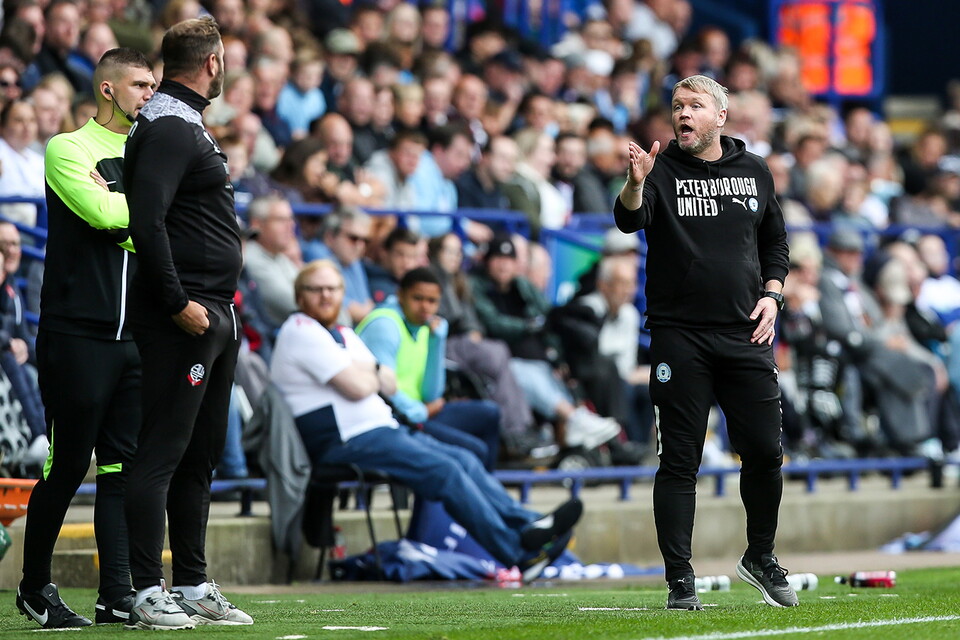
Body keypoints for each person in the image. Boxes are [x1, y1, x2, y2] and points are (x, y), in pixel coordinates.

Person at [270, 259, 581, 581]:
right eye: (316, 289)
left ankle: (528, 524)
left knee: (464, 458)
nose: (325, 296)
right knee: (444, 471)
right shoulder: (300, 329)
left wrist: (371, 374)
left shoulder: (343, 333)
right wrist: (370, 373)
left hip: (382, 430)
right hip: (345, 439)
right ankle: (519, 554)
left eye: (332, 289)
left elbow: (386, 380)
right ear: (299, 296)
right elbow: (358, 386)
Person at [613, 75, 797, 610]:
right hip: (680, 337)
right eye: (676, 106)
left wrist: (773, 295)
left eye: (695, 105)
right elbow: (629, 221)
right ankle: (680, 580)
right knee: (680, 461)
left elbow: (775, 241)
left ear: (721, 114)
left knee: (765, 451)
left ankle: (760, 555)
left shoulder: (753, 169)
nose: (683, 114)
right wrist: (635, 183)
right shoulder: (658, 169)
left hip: (747, 331)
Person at [15, 48, 155, 630]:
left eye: (154, 86)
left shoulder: (150, 151)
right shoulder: (67, 147)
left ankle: (116, 594)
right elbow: (105, 217)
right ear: (107, 89)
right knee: (68, 466)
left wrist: (140, 215)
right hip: (78, 333)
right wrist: (148, 213)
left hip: (134, 337)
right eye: (141, 85)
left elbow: (161, 224)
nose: (150, 95)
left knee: (123, 467)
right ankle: (33, 587)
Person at [122, 17, 252, 630]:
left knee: (199, 455)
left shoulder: (182, 120)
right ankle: (148, 589)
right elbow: (146, 221)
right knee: (162, 454)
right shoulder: (173, 126)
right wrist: (177, 302)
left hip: (212, 309)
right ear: (212, 63)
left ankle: (193, 582)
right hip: (185, 314)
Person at [356, 267, 502, 470]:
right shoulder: (385, 325)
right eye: (417, 298)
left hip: (419, 411)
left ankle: (486, 493)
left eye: (432, 301)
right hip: (396, 419)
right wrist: (422, 411)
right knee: (474, 450)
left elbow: (432, 393)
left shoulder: (426, 327)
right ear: (400, 295)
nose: (425, 307)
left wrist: (437, 343)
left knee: (490, 413)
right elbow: (384, 391)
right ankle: (476, 496)